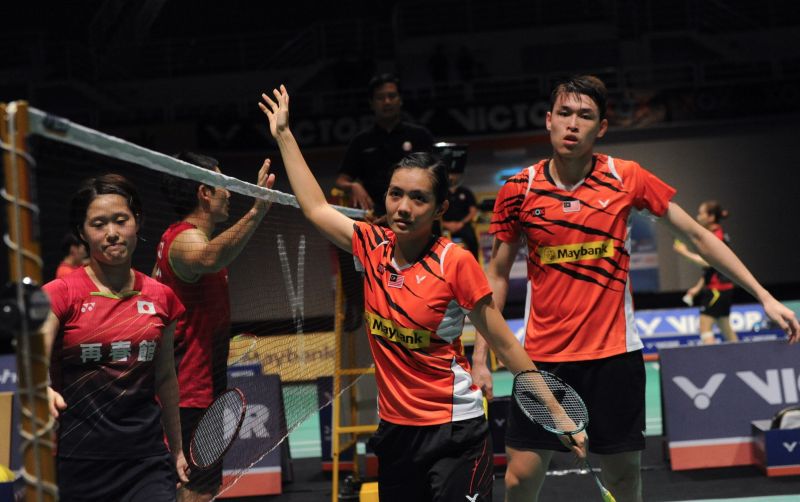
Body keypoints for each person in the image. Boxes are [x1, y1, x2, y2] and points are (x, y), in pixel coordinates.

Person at [470, 75, 799, 502]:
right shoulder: (519, 190)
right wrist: (480, 355)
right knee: (519, 477)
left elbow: (698, 236)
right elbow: (495, 275)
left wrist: (763, 295)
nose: (573, 124)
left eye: (585, 116)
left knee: (624, 479)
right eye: (565, 114)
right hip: (542, 358)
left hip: (614, 355)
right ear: (549, 121)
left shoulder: (625, 177)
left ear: (601, 127)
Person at [259, 85, 586, 502]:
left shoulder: (455, 262)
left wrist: (558, 414)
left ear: (439, 209)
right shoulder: (371, 247)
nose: (402, 207)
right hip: (395, 433)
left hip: (454, 432)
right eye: (396, 194)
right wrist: (285, 134)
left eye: (418, 198)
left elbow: (505, 342)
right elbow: (316, 208)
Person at [41, 173, 189, 501]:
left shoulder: (162, 298)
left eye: (121, 221)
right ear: (82, 232)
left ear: (137, 222)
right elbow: (35, 352)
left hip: (146, 460)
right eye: (98, 224)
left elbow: (165, 377)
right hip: (77, 461)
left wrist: (176, 450)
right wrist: (42, 386)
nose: (112, 233)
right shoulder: (60, 293)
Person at [154, 152, 275, 501]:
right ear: (205, 192)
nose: (229, 193)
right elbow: (208, 257)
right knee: (197, 490)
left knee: (195, 487)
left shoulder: (172, 239)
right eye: (223, 185)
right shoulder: (185, 240)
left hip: (198, 383)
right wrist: (257, 210)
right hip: (191, 391)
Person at [335, 73, 435, 219]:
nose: (387, 102)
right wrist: (353, 186)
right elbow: (341, 180)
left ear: (400, 99)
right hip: (374, 219)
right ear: (371, 103)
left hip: (414, 217)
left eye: (392, 96)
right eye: (380, 98)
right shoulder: (361, 141)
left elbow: (434, 175)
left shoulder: (420, 136)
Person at [674, 200, 737, 344]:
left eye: (701, 213)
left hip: (718, 290)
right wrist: (697, 288)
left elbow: (709, 262)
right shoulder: (715, 234)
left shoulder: (717, 237)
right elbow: (711, 269)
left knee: (704, 327)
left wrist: (684, 253)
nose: (698, 217)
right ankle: (743, 360)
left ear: (711, 217)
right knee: (725, 328)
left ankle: (713, 366)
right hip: (721, 289)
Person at [442, 169, 479, 259]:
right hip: (445, 226)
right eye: (449, 174)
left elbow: (473, 211)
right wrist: (445, 224)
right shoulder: (442, 194)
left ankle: (475, 263)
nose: (451, 177)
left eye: (453, 174)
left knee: (472, 240)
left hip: (463, 225)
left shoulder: (466, 192)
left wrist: (461, 223)